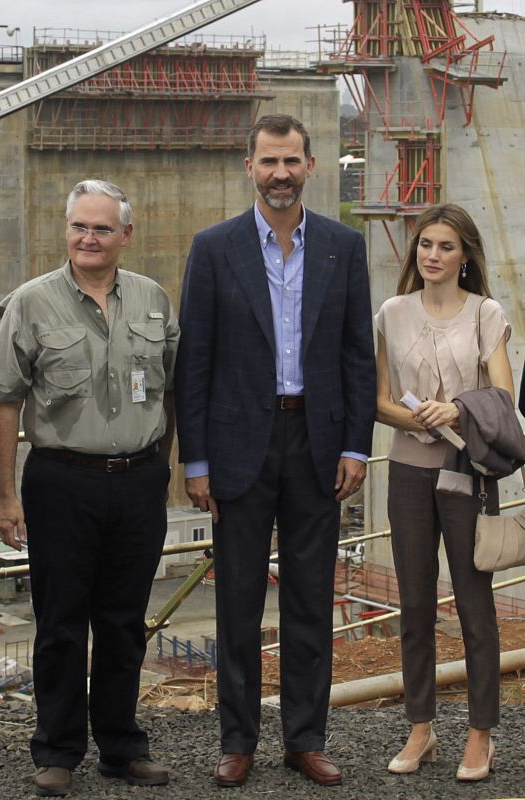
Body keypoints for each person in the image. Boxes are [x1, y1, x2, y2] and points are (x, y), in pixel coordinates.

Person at [175, 114, 376, 788]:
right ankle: (237, 742)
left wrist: (356, 446)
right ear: (250, 167)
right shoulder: (214, 248)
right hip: (238, 446)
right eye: (269, 162)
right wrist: (196, 461)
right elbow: (194, 361)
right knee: (237, 600)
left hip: (317, 442)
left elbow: (357, 354)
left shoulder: (343, 247)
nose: (280, 174)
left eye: (291, 161)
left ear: (311, 166)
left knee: (310, 598)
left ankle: (305, 739)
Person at [0, 180, 180, 797]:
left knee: (124, 622)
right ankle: (57, 751)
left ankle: (122, 748)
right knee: (61, 624)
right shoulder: (31, 303)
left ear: (126, 234)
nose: (88, 239)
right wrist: (6, 497)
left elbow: (172, 389)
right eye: (79, 227)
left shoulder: (153, 298)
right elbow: (4, 402)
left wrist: (162, 467)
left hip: (138, 481)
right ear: (66, 229)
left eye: (101, 228)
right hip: (62, 481)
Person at [375, 204, 514, 782]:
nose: (432, 255)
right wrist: (415, 419)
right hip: (407, 470)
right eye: (425, 244)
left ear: (465, 256)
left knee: (474, 605)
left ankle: (481, 735)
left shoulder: (485, 313)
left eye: (446, 246)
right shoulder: (392, 312)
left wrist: (454, 409)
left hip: (465, 470)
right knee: (414, 605)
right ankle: (421, 728)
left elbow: (503, 396)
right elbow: (379, 399)